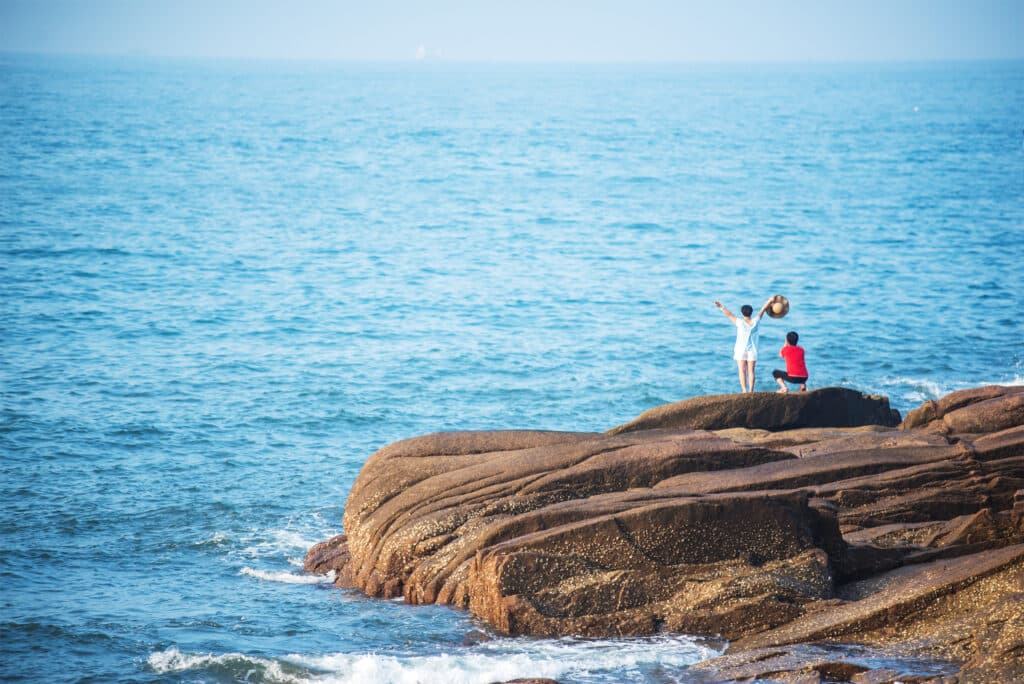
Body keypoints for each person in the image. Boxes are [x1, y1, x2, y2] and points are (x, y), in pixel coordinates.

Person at [714, 298, 773, 393]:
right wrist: (770, 301)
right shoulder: (755, 321)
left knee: (742, 371)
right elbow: (763, 309)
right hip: (752, 350)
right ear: (751, 313)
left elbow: (729, 314)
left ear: (742, 313)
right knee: (751, 371)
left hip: (741, 350)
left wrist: (720, 306)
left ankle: (744, 390)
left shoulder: (740, 322)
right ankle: (751, 390)